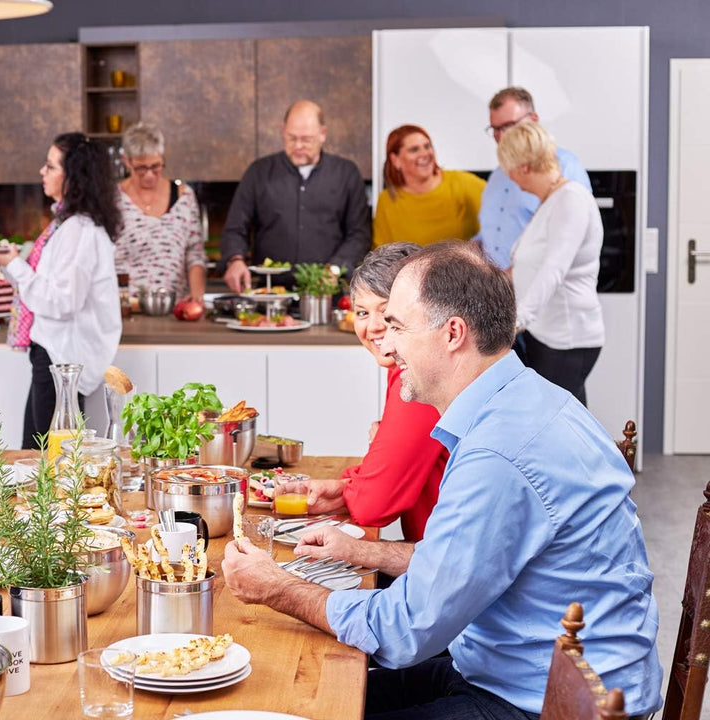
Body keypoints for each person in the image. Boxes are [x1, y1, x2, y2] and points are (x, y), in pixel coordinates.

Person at [221, 243, 661, 719]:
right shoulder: (529, 398)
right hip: (514, 670)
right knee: (313, 694)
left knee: (304, 697)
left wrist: (278, 587)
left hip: (551, 703)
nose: (388, 345)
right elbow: (465, 563)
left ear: (453, 333)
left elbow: (403, 631)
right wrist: (366, 554)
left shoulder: (497, 451)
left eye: (398, 326)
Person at [274, 243, 446, 543]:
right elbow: (396, 472)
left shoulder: (421, 373)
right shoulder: (404, 368)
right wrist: (345, 489)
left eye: (388, 312)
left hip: (446, 562)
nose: (374, 326)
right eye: (362, 312)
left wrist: (354, 487)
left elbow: (373, 506)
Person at [0, 133, 123, 448]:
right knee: (37, 454)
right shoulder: (67, 225)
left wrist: (15, 265)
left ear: (73, 177)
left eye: (51, 166)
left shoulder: (78, 230)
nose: (42, 172)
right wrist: (11, 264)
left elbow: (63, 301)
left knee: (49, 459)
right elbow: (49, 287)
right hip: (54, 356)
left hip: (59, 360)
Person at [498, 122, 604, 405]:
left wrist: (516, 321)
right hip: (546, 332)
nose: (509, 177)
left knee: (554, 419)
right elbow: (527, 265)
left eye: (508, 169)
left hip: (567, 337)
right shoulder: (552, 200)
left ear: (523, 167)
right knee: (567, 420)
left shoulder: (571, 200)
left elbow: (553, 269)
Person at [220, 100, 371, 293]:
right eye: (291, 138)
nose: (298, 145)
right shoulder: (259, 172)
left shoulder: (346, 173)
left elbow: (359, 233)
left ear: (323, 134)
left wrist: (335, 268)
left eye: (306, 139)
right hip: (270, 291)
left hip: (325, 292)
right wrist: (235, 259)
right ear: (283, 131)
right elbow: (235, 227)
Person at [476, 86, 592, 270]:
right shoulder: (497, 176)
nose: (501, 136)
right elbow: (488, 236)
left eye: (508, 125)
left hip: (535, 283)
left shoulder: (566, 168)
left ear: (534, 120)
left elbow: (572, 241)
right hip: (492, 284)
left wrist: (514, 276)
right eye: (495, 129)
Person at [115, 121, 206, 303]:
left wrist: (197, 297)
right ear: (126, 161)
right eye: (141, 168)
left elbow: (195, 253)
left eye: (156, 166)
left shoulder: (184, 197)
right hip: (124, 308)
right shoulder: (113, 199)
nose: (149, 175)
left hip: (174, 306)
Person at [372, 124, 485, 247]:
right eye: (414, 149)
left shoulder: (463, 184)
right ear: (395, 160)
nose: (425, 153)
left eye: (427, 146)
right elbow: (381, 251)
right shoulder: (387, 200)